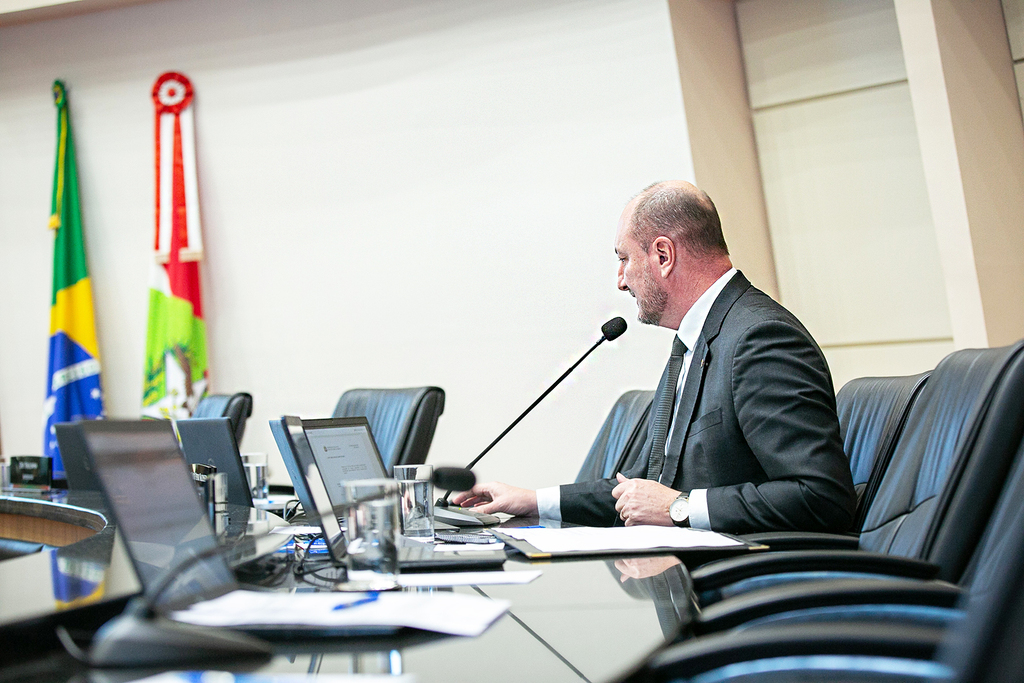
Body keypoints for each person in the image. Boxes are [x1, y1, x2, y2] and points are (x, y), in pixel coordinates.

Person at [453, 181, 856, 534]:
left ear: (663, 255)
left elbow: (821, 498)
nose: (621, 279)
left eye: (624, 259)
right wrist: (530, 500)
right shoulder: (692, 341)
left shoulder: (761, 339)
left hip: (740, 592)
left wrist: (678, 507)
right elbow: (644, 488)